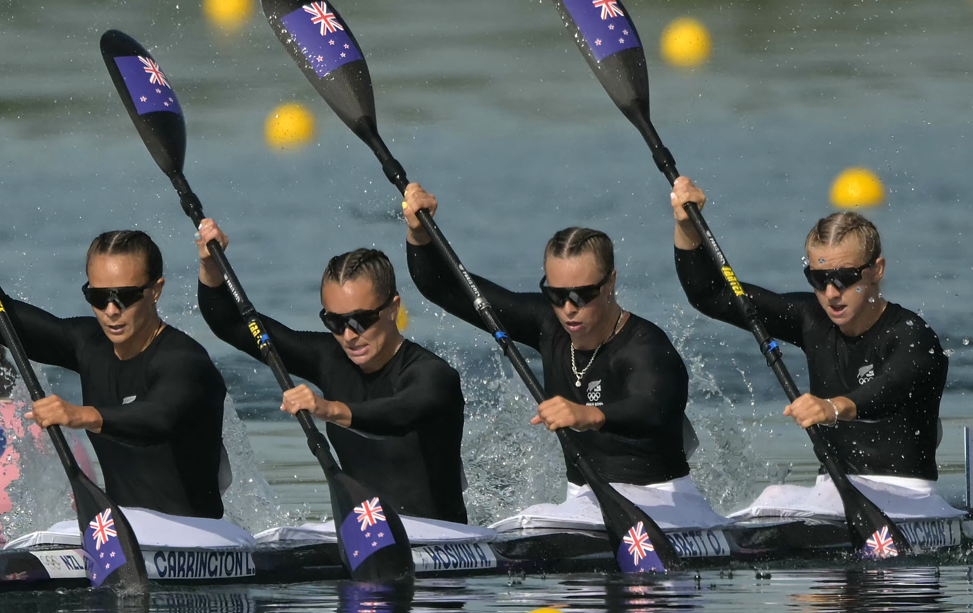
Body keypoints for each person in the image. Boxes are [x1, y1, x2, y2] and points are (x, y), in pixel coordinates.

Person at [402, 182, 726, 536]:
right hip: (584, 504)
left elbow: (653, 410)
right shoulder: (548, 325)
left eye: (581, 295)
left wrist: (589, 415)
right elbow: (443, 287)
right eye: (556, 295)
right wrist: (418, 233)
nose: (568, 308)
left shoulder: (646, 346)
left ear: (610, 283)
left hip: (666, 505)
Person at [670, 176, 963, 531]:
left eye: (844, 277)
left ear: (877, 270)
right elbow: (710, 294)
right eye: (818, 278)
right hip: (831, 494)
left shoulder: (913, 336)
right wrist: (686, 226)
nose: (831, 293)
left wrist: (832, 408)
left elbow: (890, 390)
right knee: (772, 496)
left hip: (908, 498)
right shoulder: (812, 319)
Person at [0, 177, 230, 520]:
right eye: (98, 297)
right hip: (123, 530)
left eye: (125, 296)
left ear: (155, 291)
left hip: (199, 533)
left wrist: (79, 415)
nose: (111, 310)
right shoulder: (88, 343)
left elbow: (156, 419)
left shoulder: (185, 361)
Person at [195, 219, 468, 524]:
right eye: (335, 322)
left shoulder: (434, 376)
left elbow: (396, 415)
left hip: (442, 534)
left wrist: (327, 409)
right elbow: (230, 323)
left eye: (360, 320)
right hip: (367, 530)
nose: (349, 336)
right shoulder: (329, 358)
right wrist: (210, 265)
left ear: (393, 308)